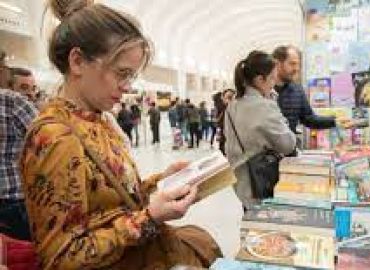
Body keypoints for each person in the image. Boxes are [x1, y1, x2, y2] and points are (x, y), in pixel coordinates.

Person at [19, 1, 221, 269]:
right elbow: (61, 258)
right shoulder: (56, 138)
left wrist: (161, 183)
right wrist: (149, 219)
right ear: (77, 61)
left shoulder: (98, 118)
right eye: (121, 74)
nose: (127, 87)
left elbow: (112, 198)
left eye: (131, 76)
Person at [224, 51, 296, 205]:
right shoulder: (264, 106)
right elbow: (288, 144)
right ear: (259, 79)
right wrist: (273, 103)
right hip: (261, 182)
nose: (274, 83)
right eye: (272, 78)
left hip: (240, 180)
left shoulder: (232, 105)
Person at [272, 45, 350, 133]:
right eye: (292, 64)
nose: (296, 69)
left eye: (298, 64)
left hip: (289, 146)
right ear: (277, 64)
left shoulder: (297, 90)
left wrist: (334, 121)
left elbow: (309, 119)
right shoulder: (263, 91)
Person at [0, 68, 38, 241]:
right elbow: (48, 143)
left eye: (33, 88)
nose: (30, 94)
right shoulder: (13, 102)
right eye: (24, 88)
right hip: (13, 204)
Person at [217, 89, 235, 155]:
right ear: (223, 99)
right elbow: (219, 124)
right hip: (225, 143)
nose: (229, 100)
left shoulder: (239, 111)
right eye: (228, 98)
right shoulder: (223, 110)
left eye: (232, 98)